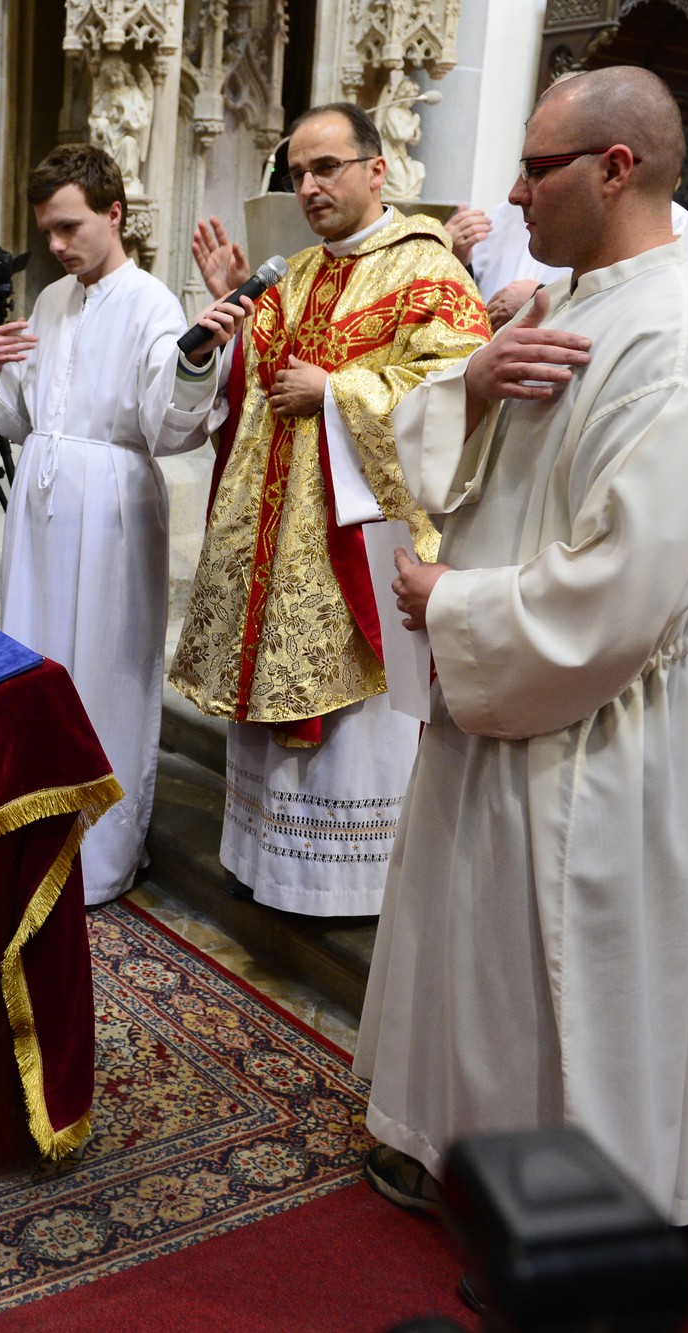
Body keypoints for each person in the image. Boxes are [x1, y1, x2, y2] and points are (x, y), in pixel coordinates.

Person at [356, 67, 688, 1236]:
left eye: (536, 169)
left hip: (590, 720)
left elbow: (621, 590)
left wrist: (456, 603)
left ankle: (571, 1217)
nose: (513, 195)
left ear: (613, 168)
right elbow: (462, 458)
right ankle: (456, 1147)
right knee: (474, 956)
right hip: (508, 693)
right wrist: (470, 387)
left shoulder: (677, 344)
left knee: (558, 981)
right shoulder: (560, 301)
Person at [169, 104, 490, 918]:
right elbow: (254, 398)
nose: (308, 186)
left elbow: (465, 395)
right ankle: (265, 864)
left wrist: (340, 393)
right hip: (274, 545)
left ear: (376, 171)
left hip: (359, 544)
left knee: (353, 728)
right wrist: (233, 331)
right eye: (297, 173)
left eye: (326, 168)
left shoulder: (431, 272)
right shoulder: (296, 272)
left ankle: (341, 884)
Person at [0, 143, 242, 905]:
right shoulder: (54, 299)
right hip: (43, 504)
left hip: (114, 506)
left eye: (68, 227)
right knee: (39, 665)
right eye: (47, 232)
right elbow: (19, 415)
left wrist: (197, 358)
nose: (55, 246)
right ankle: (38, 838)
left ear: (114, 212)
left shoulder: (150, 301)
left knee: (106, 676)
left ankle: (99, 859)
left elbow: (170, 423)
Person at [446, 195, 688, 328]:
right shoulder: (508, 212)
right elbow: (480, 302)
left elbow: (644, 318)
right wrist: (456, 261)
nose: (516, 194)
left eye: (538, 169)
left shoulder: (669, 223)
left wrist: (540, 299)